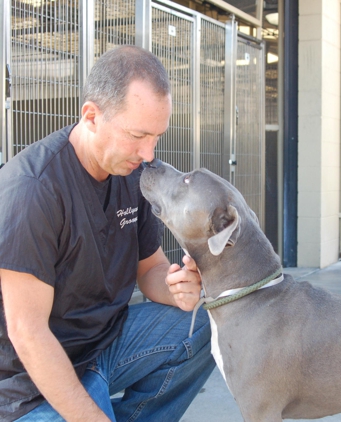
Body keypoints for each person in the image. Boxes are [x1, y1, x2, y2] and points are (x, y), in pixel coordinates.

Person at [0, 45, 215, 421]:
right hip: (30, 380)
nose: (148, 154)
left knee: (203, 324)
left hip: (104, 346)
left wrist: (178, 288)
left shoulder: (132, 174)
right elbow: (28, 334)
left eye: (156, 137)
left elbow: (150, 270)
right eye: (137, 135)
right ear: (92, 116)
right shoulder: (33, 189)